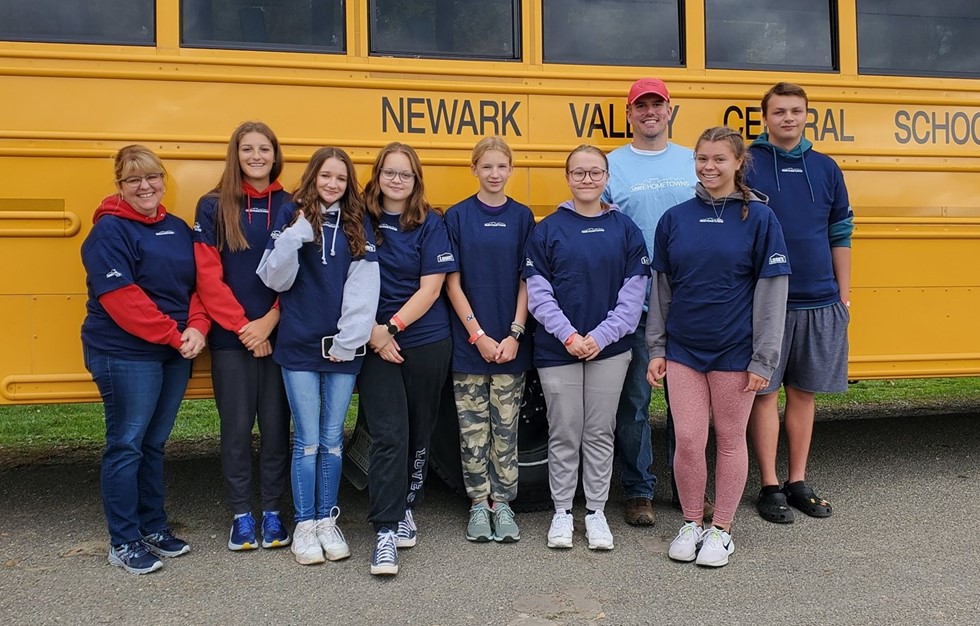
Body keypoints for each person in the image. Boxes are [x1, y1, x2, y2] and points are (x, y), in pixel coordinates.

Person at [646, 126, 791, 567]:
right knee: (688, 440)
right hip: (684, 350)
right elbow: (661, 289)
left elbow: (772, 291)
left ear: (738, 163)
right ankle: (692, 522)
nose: (709, 167)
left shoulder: (761, 219)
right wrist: (656, 347)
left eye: (718, 159)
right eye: (702, 159)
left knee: (729, 441)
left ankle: (722, 530)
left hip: (735, 351)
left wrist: (764, 357)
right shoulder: (675, 219)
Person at [81, 145, 209, 575]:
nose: (145, 186)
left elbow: (196, 286)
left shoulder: (174, 226)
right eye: (133, 180)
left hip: (173, 349)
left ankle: (153, 526)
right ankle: (124, 539)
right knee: (126, 445)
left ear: (163, 180)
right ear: (119, 185)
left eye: (152, 177)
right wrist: (176, 336)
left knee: (153, 444)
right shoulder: (108, 232)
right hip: (125, 353)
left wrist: (197, 328)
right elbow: (122, 299)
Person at [257, 147, 380, 565]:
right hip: (298, 346)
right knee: (307, 441)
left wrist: (350, 339)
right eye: (326, 176)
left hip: (343, 347)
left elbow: (364, 288)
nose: (333, 184)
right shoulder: (291, 215)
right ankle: (305, 526)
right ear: (313, 177)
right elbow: (275, 278)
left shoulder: (356, 223)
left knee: (332, 441)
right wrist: (293, 237)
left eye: (341, 178)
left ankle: (328, 519)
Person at [524, 145, 649, 551]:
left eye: (595, 172)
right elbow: (538, 294)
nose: (587, 180)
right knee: (564, 431)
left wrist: (599, 337)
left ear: (607, 177)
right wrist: (570, 336)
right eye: (579, 173)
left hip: (609, 350)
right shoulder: (547, 229)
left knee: (599, 431)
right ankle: (562, 512)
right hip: (558, 348)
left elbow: (633, 298)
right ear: (568, 177)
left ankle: (595, 512)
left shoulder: (625, 229)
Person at [746, 82, 853, 524]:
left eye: (796, 111)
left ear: (807, 116)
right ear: (765, 117)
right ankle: (769, 485)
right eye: (779, 112)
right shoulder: (748, 166)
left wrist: (843, 294)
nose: (788, 118)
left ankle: (798, 481)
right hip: (765, 301)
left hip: (818, 298)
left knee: (803, 394)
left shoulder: (826, 168)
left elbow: (840, 234)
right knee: (764, 395)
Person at [601, 78, 702, 527]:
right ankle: (639, 490)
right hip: (636, 305)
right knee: (635, 403)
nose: (649, 113)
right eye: (640, 106)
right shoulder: (610, 165)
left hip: (691, 303)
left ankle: (688, 489)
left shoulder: (692, 161)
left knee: (688, 406)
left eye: (657, 105)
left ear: (669, 111)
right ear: (628, 114)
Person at [193, 121, 292, 552]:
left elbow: (301, 277)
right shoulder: (212, 206)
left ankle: (272, 511)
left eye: (264, 148)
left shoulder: (291, 205)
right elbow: (207, 277)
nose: (256, 156)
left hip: (278, 334)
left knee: (275, 427)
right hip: (233, 339)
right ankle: (240, 516)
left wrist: (270, 321)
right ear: (236, 154)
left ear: (275, 154)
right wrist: (244, 328)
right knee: (235, 429)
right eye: (247, 149)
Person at [359, 142, 457, 575]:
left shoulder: (430, 223)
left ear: (416, 180)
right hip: (374, 341)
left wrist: (391, 328)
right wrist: (374, 335)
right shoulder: (358, 219)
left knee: (420, 432)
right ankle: (386, 528)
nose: (397, 180)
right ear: (377, 175)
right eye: (389, 172)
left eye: (405, 174)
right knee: (388, 434)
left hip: (424, 339)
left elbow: (431, 288)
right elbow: (343, 282)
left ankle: (408, 503)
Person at [444, 137, 535, 543]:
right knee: (472, 430)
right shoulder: (458, 216)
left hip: (510, 345)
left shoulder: (522, 217)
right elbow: (452, 282)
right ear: (474, 169)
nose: (494, 174)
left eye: (502, 167)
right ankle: (479, 505)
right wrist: (477, 334)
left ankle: (504, 503)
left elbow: (527, 280)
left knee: (506, 429)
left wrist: (515, 333)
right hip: (470, 345)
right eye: (487, 167)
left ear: (510, 170)